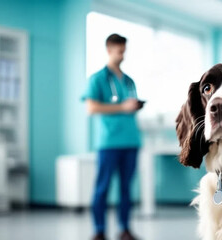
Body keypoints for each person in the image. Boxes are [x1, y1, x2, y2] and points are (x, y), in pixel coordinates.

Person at [82, 33, 143, 240]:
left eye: (124, 50)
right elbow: (91, 107)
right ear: (109, 50)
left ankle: (124, 228)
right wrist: (122, 107)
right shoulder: (97, 79)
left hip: (131, 141)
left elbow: (129, 106)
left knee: (126, 188)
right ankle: (99, 230)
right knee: (103, 187)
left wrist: (134, 106)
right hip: (108, 143)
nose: (123, 55)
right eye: (119, 51)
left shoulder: (129, 81)